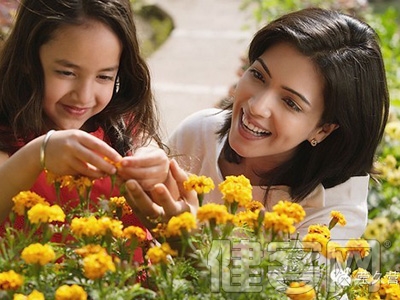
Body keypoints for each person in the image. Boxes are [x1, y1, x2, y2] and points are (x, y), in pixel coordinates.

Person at [126, 7, 390, 241]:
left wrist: (192, 242)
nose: (256, 107)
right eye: (258, 75)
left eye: (290, 103)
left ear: (324, 128)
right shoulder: (199, 133)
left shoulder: (333, 212)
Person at [0, 0, 172, 262]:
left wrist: (153, 163)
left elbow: (145, 147)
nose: (84, 96)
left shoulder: (121, 123)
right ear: (28, 59)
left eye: (104, 76)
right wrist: (38, 154)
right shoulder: (8, 133)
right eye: (67, 72)